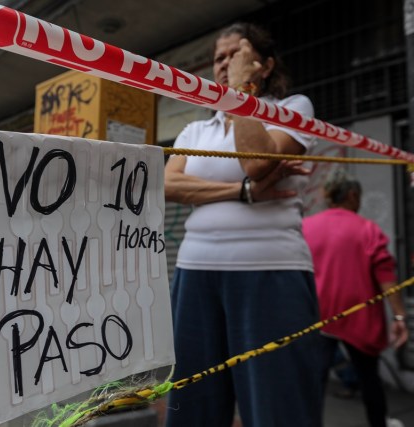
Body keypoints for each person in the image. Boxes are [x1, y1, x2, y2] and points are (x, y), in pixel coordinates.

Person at [164, 22, 323, 427]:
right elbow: (168, 184)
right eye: (218, 58)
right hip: (194, 271)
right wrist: (244, 192)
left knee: (278, 406)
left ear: (264, 64)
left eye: (235, 54)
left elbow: (257, 161)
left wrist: (240, 95)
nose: (223, 64)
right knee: (192, 404)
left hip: (271, 270)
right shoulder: (195, 128)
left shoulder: (295, 109)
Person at [303, 171, 409, 427]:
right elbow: (386, 277)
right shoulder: (367, 229)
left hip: (318, 316)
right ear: (352, 195)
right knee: (369, 379)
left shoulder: (306, 227)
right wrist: (398, 316)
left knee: (313, 381)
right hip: (359, 319)